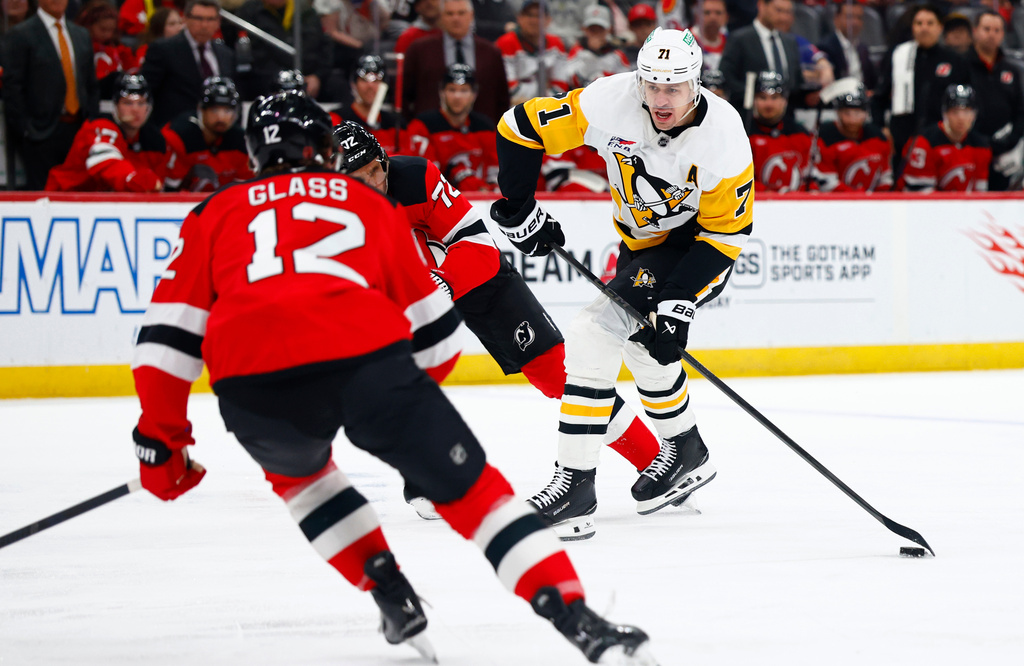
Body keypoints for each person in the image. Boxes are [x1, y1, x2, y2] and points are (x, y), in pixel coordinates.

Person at [130, 89, 654, 665]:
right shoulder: (357, 206)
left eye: (369, 169)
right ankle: (575, 615)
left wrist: (161, 440)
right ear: (325, 154)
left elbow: (165, 342)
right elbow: (434, 342)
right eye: (349, 169)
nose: (364, 179)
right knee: (476, 492)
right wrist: (404, 409)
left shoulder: (218, 210)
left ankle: (390, 588)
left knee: (305, 479)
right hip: (383, 340)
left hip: (435, 298)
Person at [489, 27, 754, 538]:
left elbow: (727, 234)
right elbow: (517, 127)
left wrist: (679, 302)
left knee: (594, 333)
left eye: (673, 87)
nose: (660, 99)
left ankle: (575, 483)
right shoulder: (609, 100)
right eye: (651, 85)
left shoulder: (724, 134)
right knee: (640, 341)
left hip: (698, 247)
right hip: (643, 246)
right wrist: (520, 209)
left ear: (696, 83)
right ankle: (687, 449)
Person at [331, 120, 661, 528]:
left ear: (384, 161)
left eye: (375, 171)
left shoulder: (415, 177)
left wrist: (444, 281)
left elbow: (479, 249)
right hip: (400, 299)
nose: (373, 183)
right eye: (357, 179)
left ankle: (656, 463)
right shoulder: (323, 215)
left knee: (556, 371)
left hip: (469, 279)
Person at [2, 0, 100, 190]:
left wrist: (91, 122)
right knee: (42, 195)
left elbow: (90, 84)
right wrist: (26, 129)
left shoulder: (80, 34)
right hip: (41, 133)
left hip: (78, 131)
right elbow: (13, 87)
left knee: (78, 193)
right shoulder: (20, 34)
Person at [873, 3, 969, 174]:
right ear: (912, 27)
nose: (924, 28)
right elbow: (880, 95)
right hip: (903, 136)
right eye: (919, 23)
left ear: (940, 27)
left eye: (930, 23)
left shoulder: (954, 60)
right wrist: (881, 128)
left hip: (941, 138)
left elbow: (966, 101)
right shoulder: (898, 55)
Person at [46, 73, 167, 192]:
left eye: (141, 103)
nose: (135, 110)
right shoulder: (98, 128)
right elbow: (105, 163)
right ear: (115, 105)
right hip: (63, 201)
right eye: (127, 103)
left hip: (107, 205)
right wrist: (132, 179)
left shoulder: (154, 140)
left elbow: (156, 186)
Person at [401, 0, 509, 124]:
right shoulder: (420, 49)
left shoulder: (491, 52)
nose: (456, 19)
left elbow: (502, 98)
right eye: (450, 14)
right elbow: (404, 94)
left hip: (481, 134)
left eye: (461, 13)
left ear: (471, 15)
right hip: (431, 132)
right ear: (441, 16)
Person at [140, 0, 236, 128]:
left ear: (218, 22)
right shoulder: (163, 50)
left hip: (218, 132)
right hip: (175, 131)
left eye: (210, 19)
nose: (204, 25)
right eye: (199, 18)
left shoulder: (226, 54)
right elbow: (146, 93)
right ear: (185, 19)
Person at [407, 63, 499, 192]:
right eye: (452, 89)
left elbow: (496, 175)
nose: (457, 96)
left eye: (464, 90)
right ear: (442, 92)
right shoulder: (423, 126)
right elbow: (425, 177)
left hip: (479, 200)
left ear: (474, 95)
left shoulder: (486, 127)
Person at [966, 9, 1024, 191]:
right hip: (970, 149)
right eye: (987, 29)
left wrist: (1012, 141)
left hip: (1005, 151)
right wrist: (978, 141)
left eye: (997, 30)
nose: (992, 34)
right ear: (975, 31)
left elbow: (1020, 111)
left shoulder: (1011, 70)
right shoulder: (961, 65)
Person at [162, 76, 252, 191]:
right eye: (214, 110)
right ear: (201, 109)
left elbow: (245, 187)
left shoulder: (241, 141)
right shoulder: (180, 135)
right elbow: (168, 191)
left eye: (227, 110)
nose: (221, 117)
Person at [898, 83, 991, 192]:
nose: (961, 118)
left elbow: (980, 193)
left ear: (974, 115)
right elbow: (919, 195)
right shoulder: (924, 143)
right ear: (945, 113)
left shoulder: (981, 146)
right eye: (955, 112)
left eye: (966, 112)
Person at [719, 0, 804, 111]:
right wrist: (756, 97)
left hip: (786, 116)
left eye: (787, 12)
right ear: (762, 5)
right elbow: (726, 76)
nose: (783, 17)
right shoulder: (739, 39)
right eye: (778, 10)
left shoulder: (790, 42)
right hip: (748, 116)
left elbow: (796, 80)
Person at [234, 0, 328, 98]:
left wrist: (317, 76)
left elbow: (322, 46)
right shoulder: (250, 11)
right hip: (268, 76)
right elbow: (256, 54)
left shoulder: (305, 11)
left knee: (335, 83)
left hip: (305, 72)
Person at [809, 83, 892, 192]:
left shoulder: (877, 136)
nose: (852, 119)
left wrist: (876, 200)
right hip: (835, 204)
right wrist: (855, 197)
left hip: (872, 204)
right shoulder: (824, 137)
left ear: (866, 113)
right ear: (838, 112)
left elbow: (885, 177)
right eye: (847, 113)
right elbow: (825, 182)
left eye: (857, 112)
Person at [748, 70, 812, 192]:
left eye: (775, 98)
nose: (769, 104)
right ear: (754, 100)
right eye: (763, 97)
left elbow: (813, 176)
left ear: (784, 101)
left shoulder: (800, 133)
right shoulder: (743, 133)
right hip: (757, 204)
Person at [495, 0, 569, 106]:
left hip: (548, 107)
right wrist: (542, 88)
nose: (534, 20)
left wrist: (528, 87)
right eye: (529, 15)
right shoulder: (505, 42)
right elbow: (509, 88)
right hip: (513, 108)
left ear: (548, 20)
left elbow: (561, 86)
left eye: (539, 15)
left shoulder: (556, 43)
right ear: (519, 18)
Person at [338, 54, 409, 157]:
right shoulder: (337, 120)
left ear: (385, 85)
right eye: (364, 80)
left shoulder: (397, 124)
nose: (370, 86)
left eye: (376, 80)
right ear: (353, 84)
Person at [78, 0, 138, 98]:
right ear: (89, 26)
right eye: (103, 29)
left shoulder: (120, 49)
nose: (108, 34)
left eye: (111, 30)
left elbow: (133, 72)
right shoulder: (83, 49)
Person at [816, 0, 878, 92]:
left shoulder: (863, 49)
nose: (855, 22)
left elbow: (871, 83)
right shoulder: (825, 47)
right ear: (836, 19)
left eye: (859, 18)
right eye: (850, 17)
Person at [566, 4, 630, 89]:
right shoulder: (576, 51)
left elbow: (626, 84)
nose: (596, 34)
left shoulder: (618, 55)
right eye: (592, 29)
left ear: (609, 29)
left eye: (600, 29)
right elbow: (570, 81)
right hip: (581, 97)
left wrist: (604, 76)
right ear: (584, 29)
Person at [694, 0, 729, 73]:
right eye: (707, 13)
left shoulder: (731, 43)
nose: (713, 17)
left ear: (726, 17)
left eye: (718, 13)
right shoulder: (688, 41)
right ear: (697, 16)